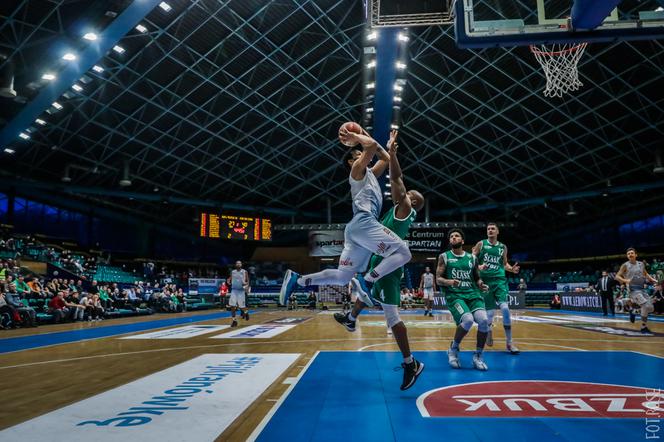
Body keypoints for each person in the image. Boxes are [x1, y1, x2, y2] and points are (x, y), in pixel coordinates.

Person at [333, 130, 425, 390]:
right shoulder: (395, 212)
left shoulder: (405, 207)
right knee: (367, 287)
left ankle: (410, 363)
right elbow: (388, 171)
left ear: (413, 201)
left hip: (391, 264)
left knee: (392, 317)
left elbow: (396, 176)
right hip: (381, 257)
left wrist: (391, 152)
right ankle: (352, 317)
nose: (407, 193)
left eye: (411, 194)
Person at [280, 127, 413, 307]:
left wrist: (389, 148)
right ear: (351, 161)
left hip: (356, 229)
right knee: (403, 253)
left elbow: (385, 159)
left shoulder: (370, 174)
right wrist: (357, 136)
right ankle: (368, 280)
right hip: (364, 223)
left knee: (343, 277)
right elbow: (372, 145)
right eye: (359, 153)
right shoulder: (356, 170)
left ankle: (298, 280)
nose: (363, 154)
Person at [437, 229, 490, 371]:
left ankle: (478, 355)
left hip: (473, 294)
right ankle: (453, 349)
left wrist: (481, 284)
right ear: (450, 241)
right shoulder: (444, 256)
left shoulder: (472, 258)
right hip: (455, 296)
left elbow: (477, 277)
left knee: (484, 321)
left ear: (462, 241)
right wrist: (450, 282)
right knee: (467, 320)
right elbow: (438, 279)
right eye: (452, 237)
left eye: (457, 236)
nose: (454, 238)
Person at [472, 223, 520, 354]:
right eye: (488, 229)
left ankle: (509, 343)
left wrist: (511, 269)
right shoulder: (481, 244)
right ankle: (488, 330)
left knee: (505, 309)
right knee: (489, 314)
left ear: (497, 231)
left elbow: (504, 264)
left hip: (499, 281)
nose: (490, 230)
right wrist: (479, 267)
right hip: (486, 282)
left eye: (493, 229)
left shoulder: (502, 247)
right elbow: (471, 259)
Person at [615, 248, 658, 334]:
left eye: (631, 253)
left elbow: (645, 274)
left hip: (642, 289)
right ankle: (643, 327)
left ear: (636, 255)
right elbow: (617, 276)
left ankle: (634, 311)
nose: (630, 255)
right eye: (628, 254)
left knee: (651, 308)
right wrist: (626, 281)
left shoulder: (641, 264)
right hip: (633, 290)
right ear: (627, 256)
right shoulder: (625, 265)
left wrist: (653, 280)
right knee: (645, 306)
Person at [228, 260, 249, 327]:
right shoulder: (233, 272)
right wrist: (228, 281)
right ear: (235, 265)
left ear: (241, 265)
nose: (238, 264)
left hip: (241, 291)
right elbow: (229, 279)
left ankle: (246, 313)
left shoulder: (244, 271)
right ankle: (234, 321)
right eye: (237, 263)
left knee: (241, 306)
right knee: (232, 306)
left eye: (239, 263)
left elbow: (247, 281)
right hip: (234, 290)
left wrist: (247, 287)